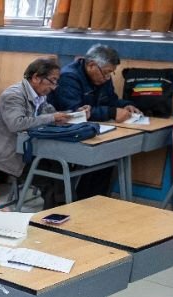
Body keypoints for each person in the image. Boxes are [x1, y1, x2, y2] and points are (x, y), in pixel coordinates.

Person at [0, 57, 81, 209]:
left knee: (61, 166)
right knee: (49, 180)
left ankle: (65, 209)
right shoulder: (14, 95)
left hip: (27, 150)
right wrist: (51, 118)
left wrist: (71, 115)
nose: (54, 87)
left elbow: (49, 113)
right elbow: (17, 124)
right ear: (36, 78)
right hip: (6, 155)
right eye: (52, 81)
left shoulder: (39, 94)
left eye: (56, 82)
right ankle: (54, 219)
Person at [48, 44, 139, 198]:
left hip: (93, 131)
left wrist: (125, 105)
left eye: (111, 73)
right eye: (106, 73)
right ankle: (85, 199)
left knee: (111, 153)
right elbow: (74, 112)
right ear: (91, 65)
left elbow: (111, 100)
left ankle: (95, 200)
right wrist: (111, 112)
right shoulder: (69, 77)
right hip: (64, 134)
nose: (108, 77)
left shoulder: (102, 78)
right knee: (101, 154)